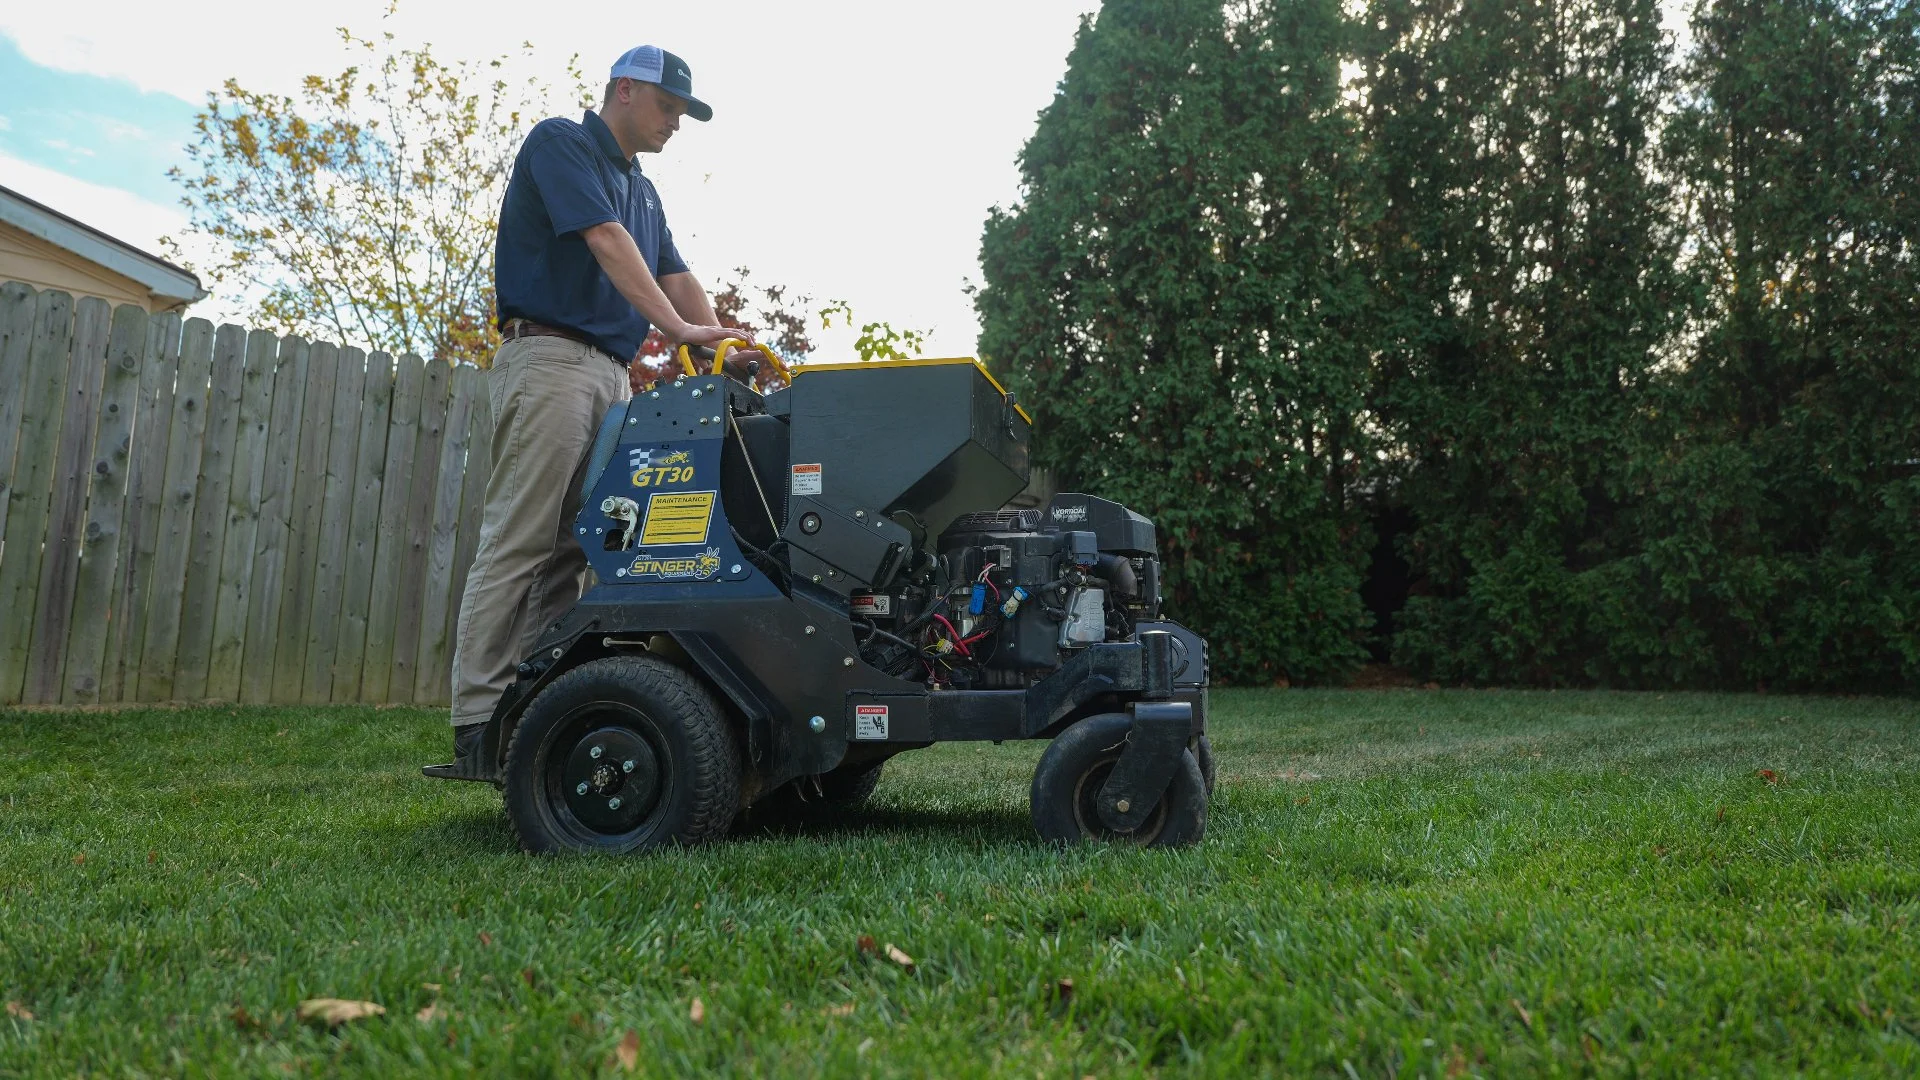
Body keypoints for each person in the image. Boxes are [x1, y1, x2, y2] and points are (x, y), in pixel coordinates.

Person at [446, 45, 748, 768]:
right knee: (521, 538)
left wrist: (720, 348)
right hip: (548, 358)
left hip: (611, 377)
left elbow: (674, 274)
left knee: (577, 547)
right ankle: (477, 713)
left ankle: (535, 700)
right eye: (668, 107)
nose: (675, 122)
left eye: (682, 112)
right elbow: (605, 241)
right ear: (623, 91)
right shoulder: (562, 144)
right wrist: (677, 333)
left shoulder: (643, 191)